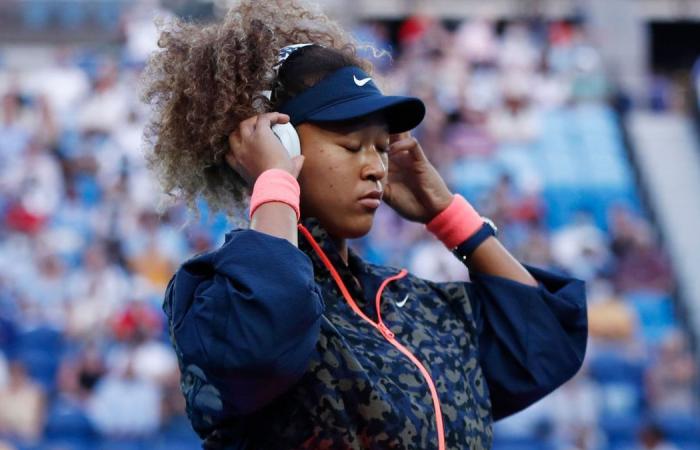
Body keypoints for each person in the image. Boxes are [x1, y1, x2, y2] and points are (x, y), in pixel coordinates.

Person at [142, 1, 588, 449]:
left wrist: (447, 214)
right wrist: (274, 184)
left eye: (381, 148)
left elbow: (547, 342)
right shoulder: (216, 297)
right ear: (280, 143)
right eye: (352, 144)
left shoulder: (411, 302)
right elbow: (261, 344)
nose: (376, 167)